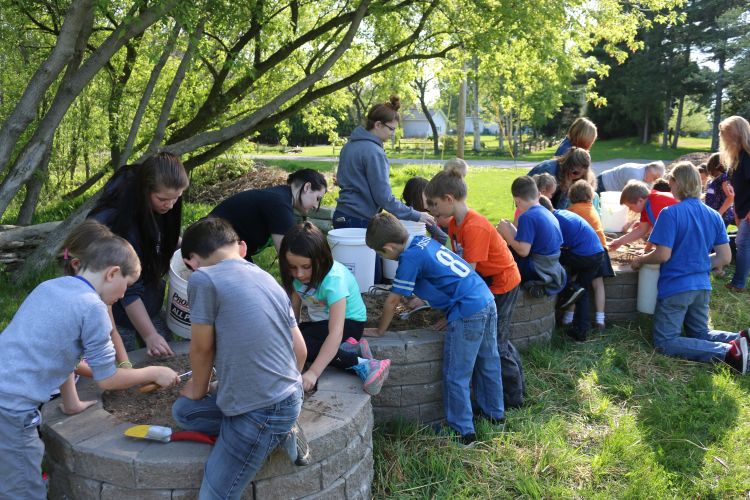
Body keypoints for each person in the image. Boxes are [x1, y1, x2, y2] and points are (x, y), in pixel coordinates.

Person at [0, 222, 179, 499]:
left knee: (11, 472)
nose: (121, 297)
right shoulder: (92, 307)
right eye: (126, 286)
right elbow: (107, 378)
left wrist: (71, 403)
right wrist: (154, 372)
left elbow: (58, 354)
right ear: (112, 273)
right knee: (22, 487)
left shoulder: (51, 287)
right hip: (11, 408)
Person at [172, 217, 307, 499]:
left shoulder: (203, 278)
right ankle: (282, 429)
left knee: (214, 494)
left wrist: (198, 388)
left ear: (191, 261)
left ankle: (272, 432)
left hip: (260, 412)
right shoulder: (265, 278)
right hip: (291, 395)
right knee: (182, 412)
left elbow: (202, 348)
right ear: (241, 247)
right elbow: (300, 350)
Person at [364, 213, 504, 445]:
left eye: (380, 254)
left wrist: (379, 331)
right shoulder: (423, 241)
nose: (382, 257)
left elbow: (392, 301)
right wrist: (429, 301)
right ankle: (495, 414)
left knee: (456, 374)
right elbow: (444, 277)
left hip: (467, 312)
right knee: (488, 361)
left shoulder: (409, 257)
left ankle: (462, 431)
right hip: (484, 300)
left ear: (388, 248)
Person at [631, 162, 748, 372]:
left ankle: (729, 353)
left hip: (676, 288)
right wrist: (700, 264)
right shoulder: (713, 215)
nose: (670, 186)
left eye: (671, 182)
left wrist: (640, 260)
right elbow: (725, 257)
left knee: (665, 342)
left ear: (676, 183)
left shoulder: (670, 213)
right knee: (699, 333)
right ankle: (742, 339)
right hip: (702, 286)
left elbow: (662, 255)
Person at [425, 164, 525, 409]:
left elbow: (466, 275)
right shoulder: (454, 225)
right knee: (498, 340)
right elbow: (454, 264)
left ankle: (514, 399)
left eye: (434, 207)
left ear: (449, 199)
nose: (433, 215)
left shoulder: (474, 226)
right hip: (485, 285)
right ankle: (508, 391)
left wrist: (454, 312)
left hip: (502, 284)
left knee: (498, 344)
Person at [88, 152, 189, 357]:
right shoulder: (121, 227)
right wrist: (150, 335)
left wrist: (193, 250)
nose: (169, 206)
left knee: (165, 353)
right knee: (123, 361)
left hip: (147, 296)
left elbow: (163, 238)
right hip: (114, 307)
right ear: (145, 191)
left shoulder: (158, 208)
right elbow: (129, 292)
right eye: (162, 199)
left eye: (176, 199)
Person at [279, 222, 391, 395]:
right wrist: (292, 334)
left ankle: (365, 365)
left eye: (306, 267)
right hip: (323, 323)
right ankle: (351, 347)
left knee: (304, 346)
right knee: (288, 339)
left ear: (320, 259)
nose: (299, 274)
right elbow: (294, 308)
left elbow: (335, 332)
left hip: (349, 323)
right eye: (293, 267)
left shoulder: (334, 280)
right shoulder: (295, 276)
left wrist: (313, 372)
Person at [57, 221, 133, 415]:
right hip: (49, 387)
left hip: (73, 377)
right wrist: (112, 376)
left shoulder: (98, 296)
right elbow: (65, 360)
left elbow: (112, 331)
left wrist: (125, 365)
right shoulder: (75, 303)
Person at [333, 95, 435, 229]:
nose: (393, 133)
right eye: (391, 129)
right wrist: (417, 215)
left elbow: (341, 180)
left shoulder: (349, 146)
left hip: (341, 215)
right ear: (378, 124)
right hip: (358, 220)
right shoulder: (374, 152)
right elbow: (384, 197)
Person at [210, 168, 328, 259]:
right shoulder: (279, 204)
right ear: (307, 187)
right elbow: (289, 256)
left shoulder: (280, 196)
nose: (316, 206)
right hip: (210, 248)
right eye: (318, 198)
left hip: (216, 246)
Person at [544, 202, 606, 341]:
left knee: (550, 259)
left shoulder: (555, 221)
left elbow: (551, 247)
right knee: (581, 292)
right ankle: (580, 331)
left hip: (586, 256)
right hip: (597, 253)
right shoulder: (561, 213)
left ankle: (568, 289)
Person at [496, 176, 566, 298]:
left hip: (538, 270)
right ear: (538, 194)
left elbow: (523, 251)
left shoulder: (527, 217)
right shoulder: (545, 212)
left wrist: (506, 234)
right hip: (552, 267)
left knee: (502, 255)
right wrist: (510, 228)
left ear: (517, 200)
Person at [567, 180, 613, 330]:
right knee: (598, 284)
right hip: (601, 249)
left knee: (575, 282)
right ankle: (600, 319)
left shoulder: (572, 210)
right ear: (590, 196)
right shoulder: (591, 207)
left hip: (584, 252)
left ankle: (568, 317)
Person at [720, 116, 750, 292]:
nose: (723, 138)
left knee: (743, 242)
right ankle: (739, 281)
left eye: (726, 134)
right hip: (742, 207)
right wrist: (736, 210)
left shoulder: (747, 156)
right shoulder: (738, 156)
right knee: (743, 242)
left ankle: (738, 283)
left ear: (736, 134)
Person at [609, 180, 678, 251]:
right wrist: (619, 242)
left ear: (640, 201)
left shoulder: (654, 204)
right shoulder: (647, 203)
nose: (630, 210)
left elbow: (662, 233)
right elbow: (641, 230)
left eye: (631, 207)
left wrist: (649, 250)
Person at [527, 147, 596, 209]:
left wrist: (565, 190)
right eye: (575, 173)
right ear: (567, 165)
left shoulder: (572, 177)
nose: (575, 177)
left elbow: (560, 209)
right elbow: (539, 203)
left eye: (580, 175)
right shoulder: (549, 171)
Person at [401, 176, 449, 245]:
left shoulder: (398, 211)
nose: (430, 198)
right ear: (415, 196)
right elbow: (442, 237)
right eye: (427, 194)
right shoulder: (423, 215)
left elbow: (442, 236)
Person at [595, 161, 666, 194]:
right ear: (650, 169)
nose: (653, 181)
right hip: (602, 184)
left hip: (609, 188)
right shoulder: (635, 174)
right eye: (654, 178)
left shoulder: (646, 174)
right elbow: (631, 196)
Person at [704, 152, 735, 227]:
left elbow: (730, 197)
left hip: (721, 216)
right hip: (712, 215)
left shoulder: (723, 178)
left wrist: (719, 213)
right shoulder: (716, 179)